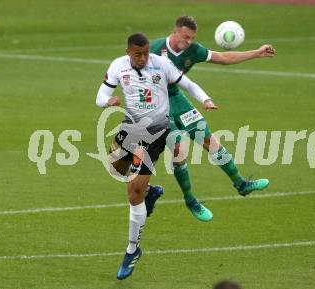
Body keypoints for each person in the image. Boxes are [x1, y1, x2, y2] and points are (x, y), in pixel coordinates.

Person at [95, 32, 217, 280]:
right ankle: (150, 193)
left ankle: (132, 249)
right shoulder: (118, 65)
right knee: (115, 168)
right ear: (128, 52)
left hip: (155, 134)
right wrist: (108, 101)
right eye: (138, 54)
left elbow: (187, 84)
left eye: (146, 53)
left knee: (133, 195)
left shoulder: (161, 64)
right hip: (130, 127)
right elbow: (99, 96)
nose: (143, 58)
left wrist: (205, 99)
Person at [149, 16, 276, 222]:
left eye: (192, 38)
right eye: (186, 37)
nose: (189, 41)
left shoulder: (194, 50)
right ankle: (191, 200)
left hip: (177, 99)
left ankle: (241, 184)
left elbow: (224, 58)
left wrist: (255, 53)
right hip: (157, 105)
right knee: (179, 151)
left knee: (209, 140)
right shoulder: (154, 48)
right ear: (175, 32)